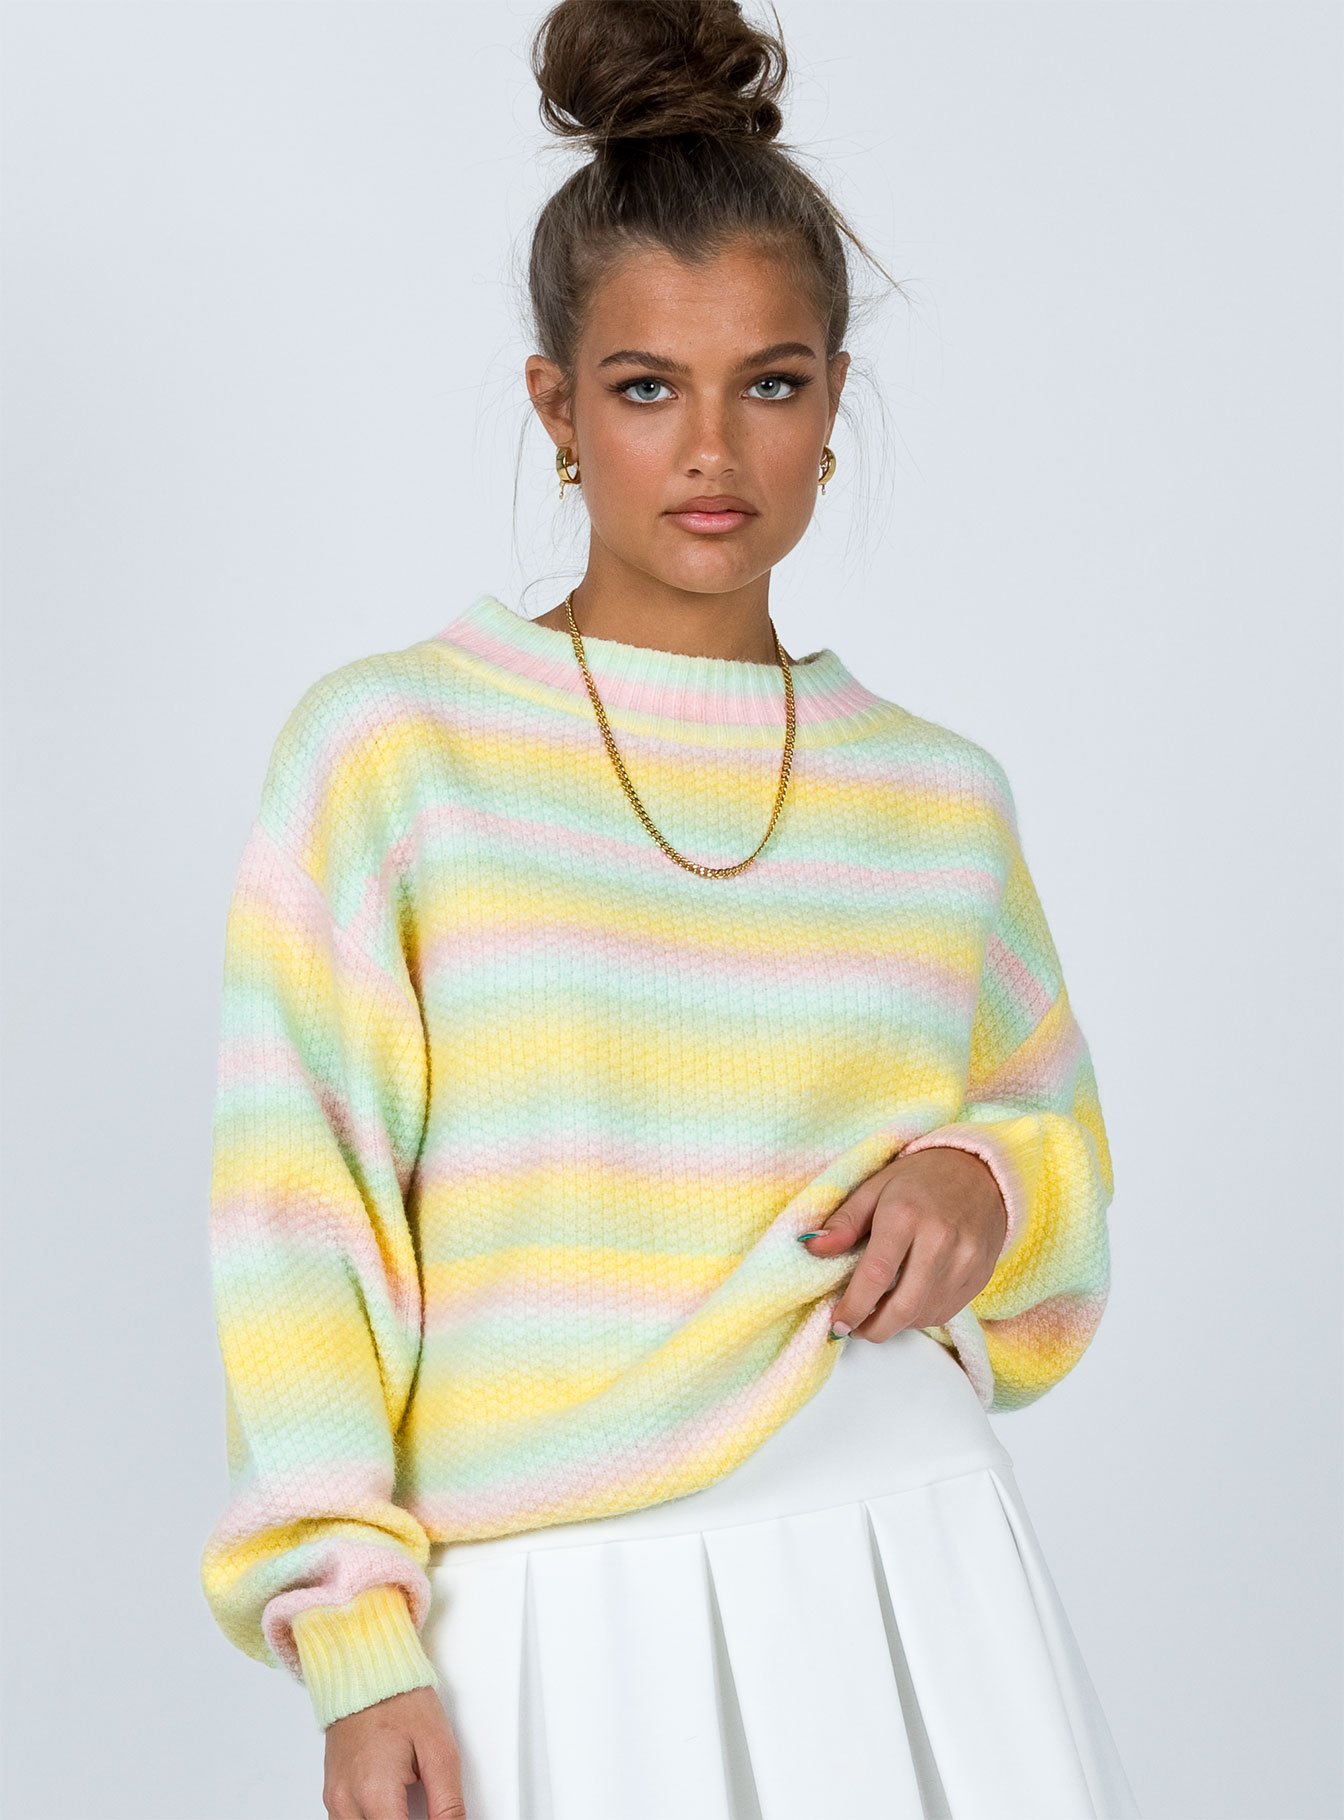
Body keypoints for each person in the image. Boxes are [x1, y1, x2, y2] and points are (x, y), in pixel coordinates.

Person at [200, 1, 1143, 1815]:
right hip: (550, 1599)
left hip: (910, 1560)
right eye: (647, 388)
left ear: (833, 407)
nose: (713, 448)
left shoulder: (937, 800)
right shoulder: (393, 756)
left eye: (769, 385)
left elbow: (1063, 1186)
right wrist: (353, 1641)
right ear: (558, 409)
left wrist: (991, 1181)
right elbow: (296, 1220)